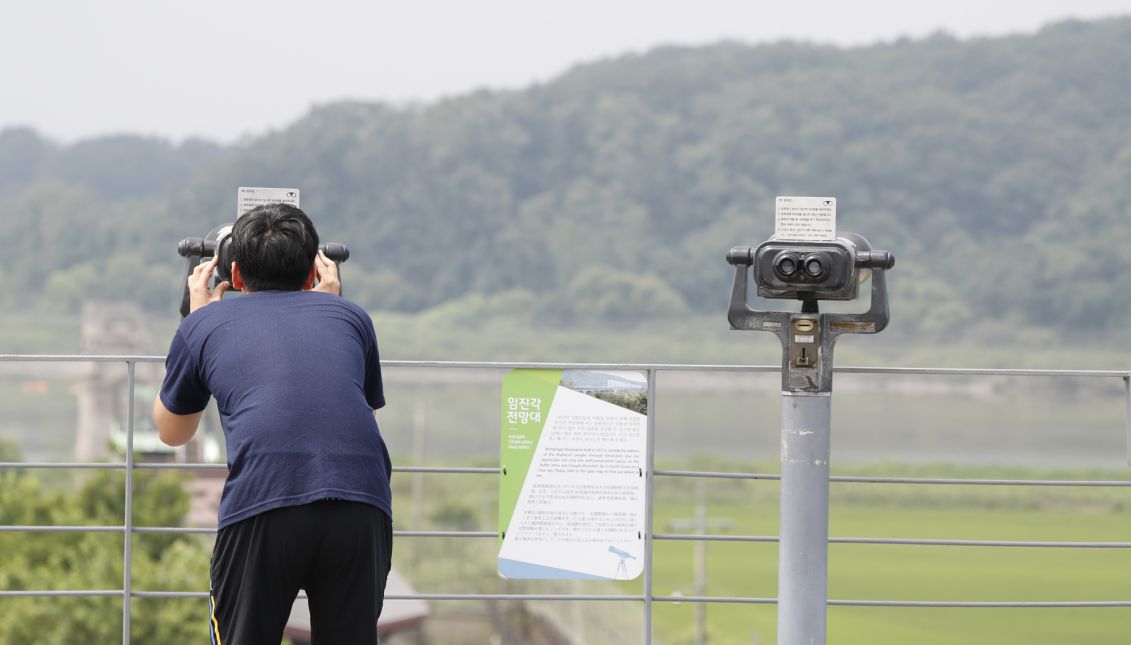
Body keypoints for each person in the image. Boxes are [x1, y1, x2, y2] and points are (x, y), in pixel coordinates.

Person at [152, 203, 393, 644]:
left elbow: (173, 432)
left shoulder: (205, 325)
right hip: (362, 503)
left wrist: (194, 319)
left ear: (235, 274)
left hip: (264, 501)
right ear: (314, 272)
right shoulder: (352, 318)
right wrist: (327, 305)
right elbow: (363, 413)